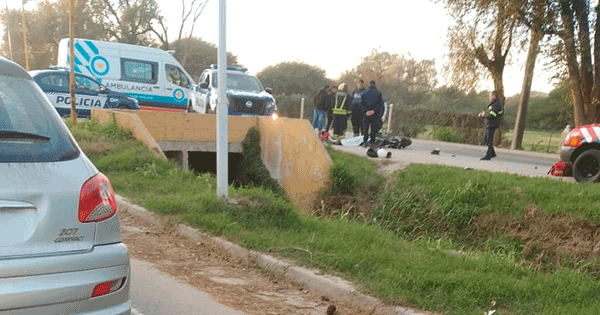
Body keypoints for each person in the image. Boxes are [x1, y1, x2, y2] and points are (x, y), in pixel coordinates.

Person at [478, 90, 504, 160]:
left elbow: (493, 114)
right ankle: (492, 153)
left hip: (492, 124)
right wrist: (485, 114)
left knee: (488, 140)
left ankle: (488, 155)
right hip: (490, 123)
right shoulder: (493, 104)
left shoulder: (496, 104)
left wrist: (484, 115)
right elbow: (490, 112)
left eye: (490, 96)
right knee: (486, 139)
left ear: (494, 96)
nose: (489, 97)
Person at [360, 80, 385, 147]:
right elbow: (380, 105)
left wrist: (366, 111)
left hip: (366, 114)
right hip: (375, 114)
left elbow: (362, 104)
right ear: (375, 84)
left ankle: (365, 141)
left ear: (369, 84)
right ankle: (372, 142)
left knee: (365, 128)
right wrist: (374, 111)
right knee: (373, 128)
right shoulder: (378, 93)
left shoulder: (364, 93)